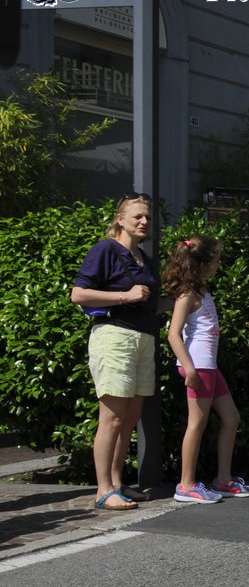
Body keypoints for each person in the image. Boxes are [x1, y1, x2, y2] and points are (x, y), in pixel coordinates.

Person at [70, 192, 159, 511]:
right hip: (114, 336)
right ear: (119, 219)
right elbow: (78, 294)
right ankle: (103, 490)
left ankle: (118, 483)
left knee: (131, 416)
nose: (144, 221)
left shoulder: (143, 259)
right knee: (112, 417)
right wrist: (125, 296)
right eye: (137, 216)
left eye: (147, 216)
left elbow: (146, 300)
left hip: (142, 339)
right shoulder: (105, 249)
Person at [163, 235, 249, 504]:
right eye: (215, 260)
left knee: (231, 417)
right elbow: (173, 334)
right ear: (203, 263)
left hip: (208, 366)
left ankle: (223, 479)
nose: (218, 264)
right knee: (197, 424)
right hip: (198, 367)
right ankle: (186, 484)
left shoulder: (200, 291)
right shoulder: (187, 295)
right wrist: (189, 369)